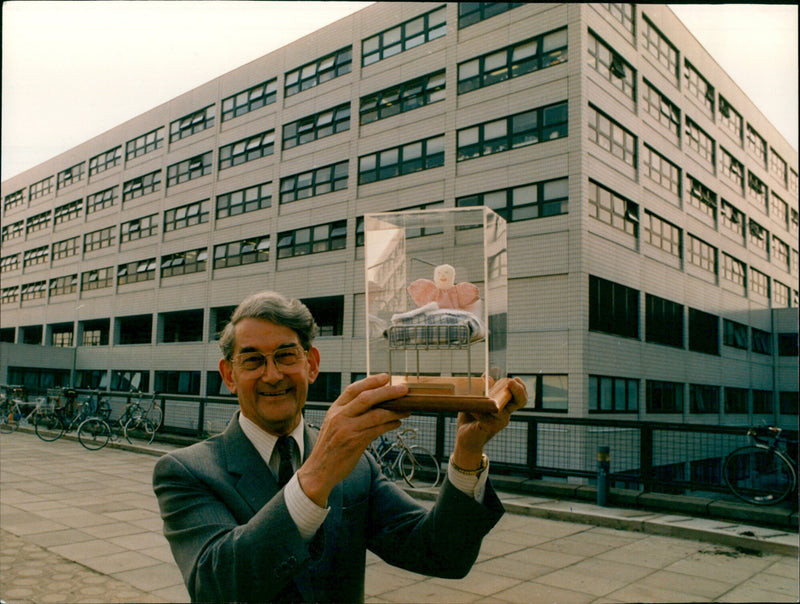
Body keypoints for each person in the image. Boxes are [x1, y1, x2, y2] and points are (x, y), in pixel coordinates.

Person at [153, 290, 527, 603]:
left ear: (312, 365)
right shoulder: (187, 471)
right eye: (252, 361)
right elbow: (214, 586)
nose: (272, 375)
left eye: (286, 356)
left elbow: (441, 554)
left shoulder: (357, 465)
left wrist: (466, 453)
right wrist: (319, 471)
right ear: (229, 376)